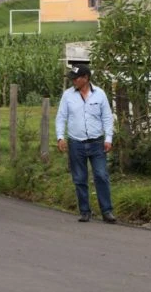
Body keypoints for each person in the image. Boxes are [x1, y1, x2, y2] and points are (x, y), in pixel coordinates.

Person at [56, 64, 116, 224]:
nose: (73, 81)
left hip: (97, 142)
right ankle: (84, 211)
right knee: (80, 178)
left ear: (86, 78)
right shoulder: (68, 96)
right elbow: (61, 117)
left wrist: (108, 138)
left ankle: (107, 211)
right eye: (73, 79)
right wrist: (60, 137)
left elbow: (107, 118)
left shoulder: (100, 95)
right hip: (76, 143)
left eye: (76, 78)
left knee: (101, 175)